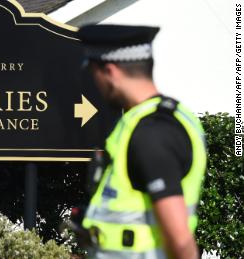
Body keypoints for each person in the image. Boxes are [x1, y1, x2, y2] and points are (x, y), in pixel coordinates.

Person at [77, 25, 207, 259]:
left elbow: (180, 240)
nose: (93, 83)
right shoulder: (149, 122)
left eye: (92, 73)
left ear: (110, 71)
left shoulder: (151, 133)